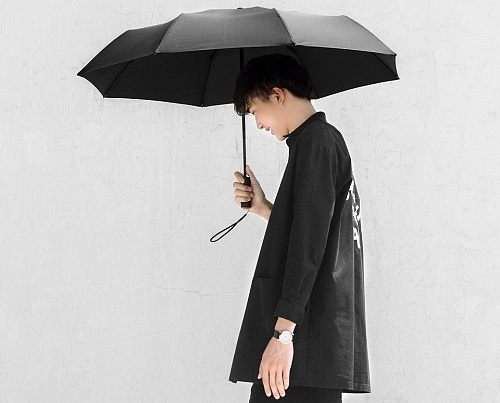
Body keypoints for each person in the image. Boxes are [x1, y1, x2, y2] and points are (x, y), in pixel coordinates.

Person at [228, 54, 370, 402]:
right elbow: (314, 231)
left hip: (301, 344)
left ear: (277, 95)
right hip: (308, 344)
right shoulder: (319, 142)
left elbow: (308, 246)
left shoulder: (316, 145)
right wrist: (264, 208)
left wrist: (283, 335)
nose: (258, 124)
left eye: (255, 110)